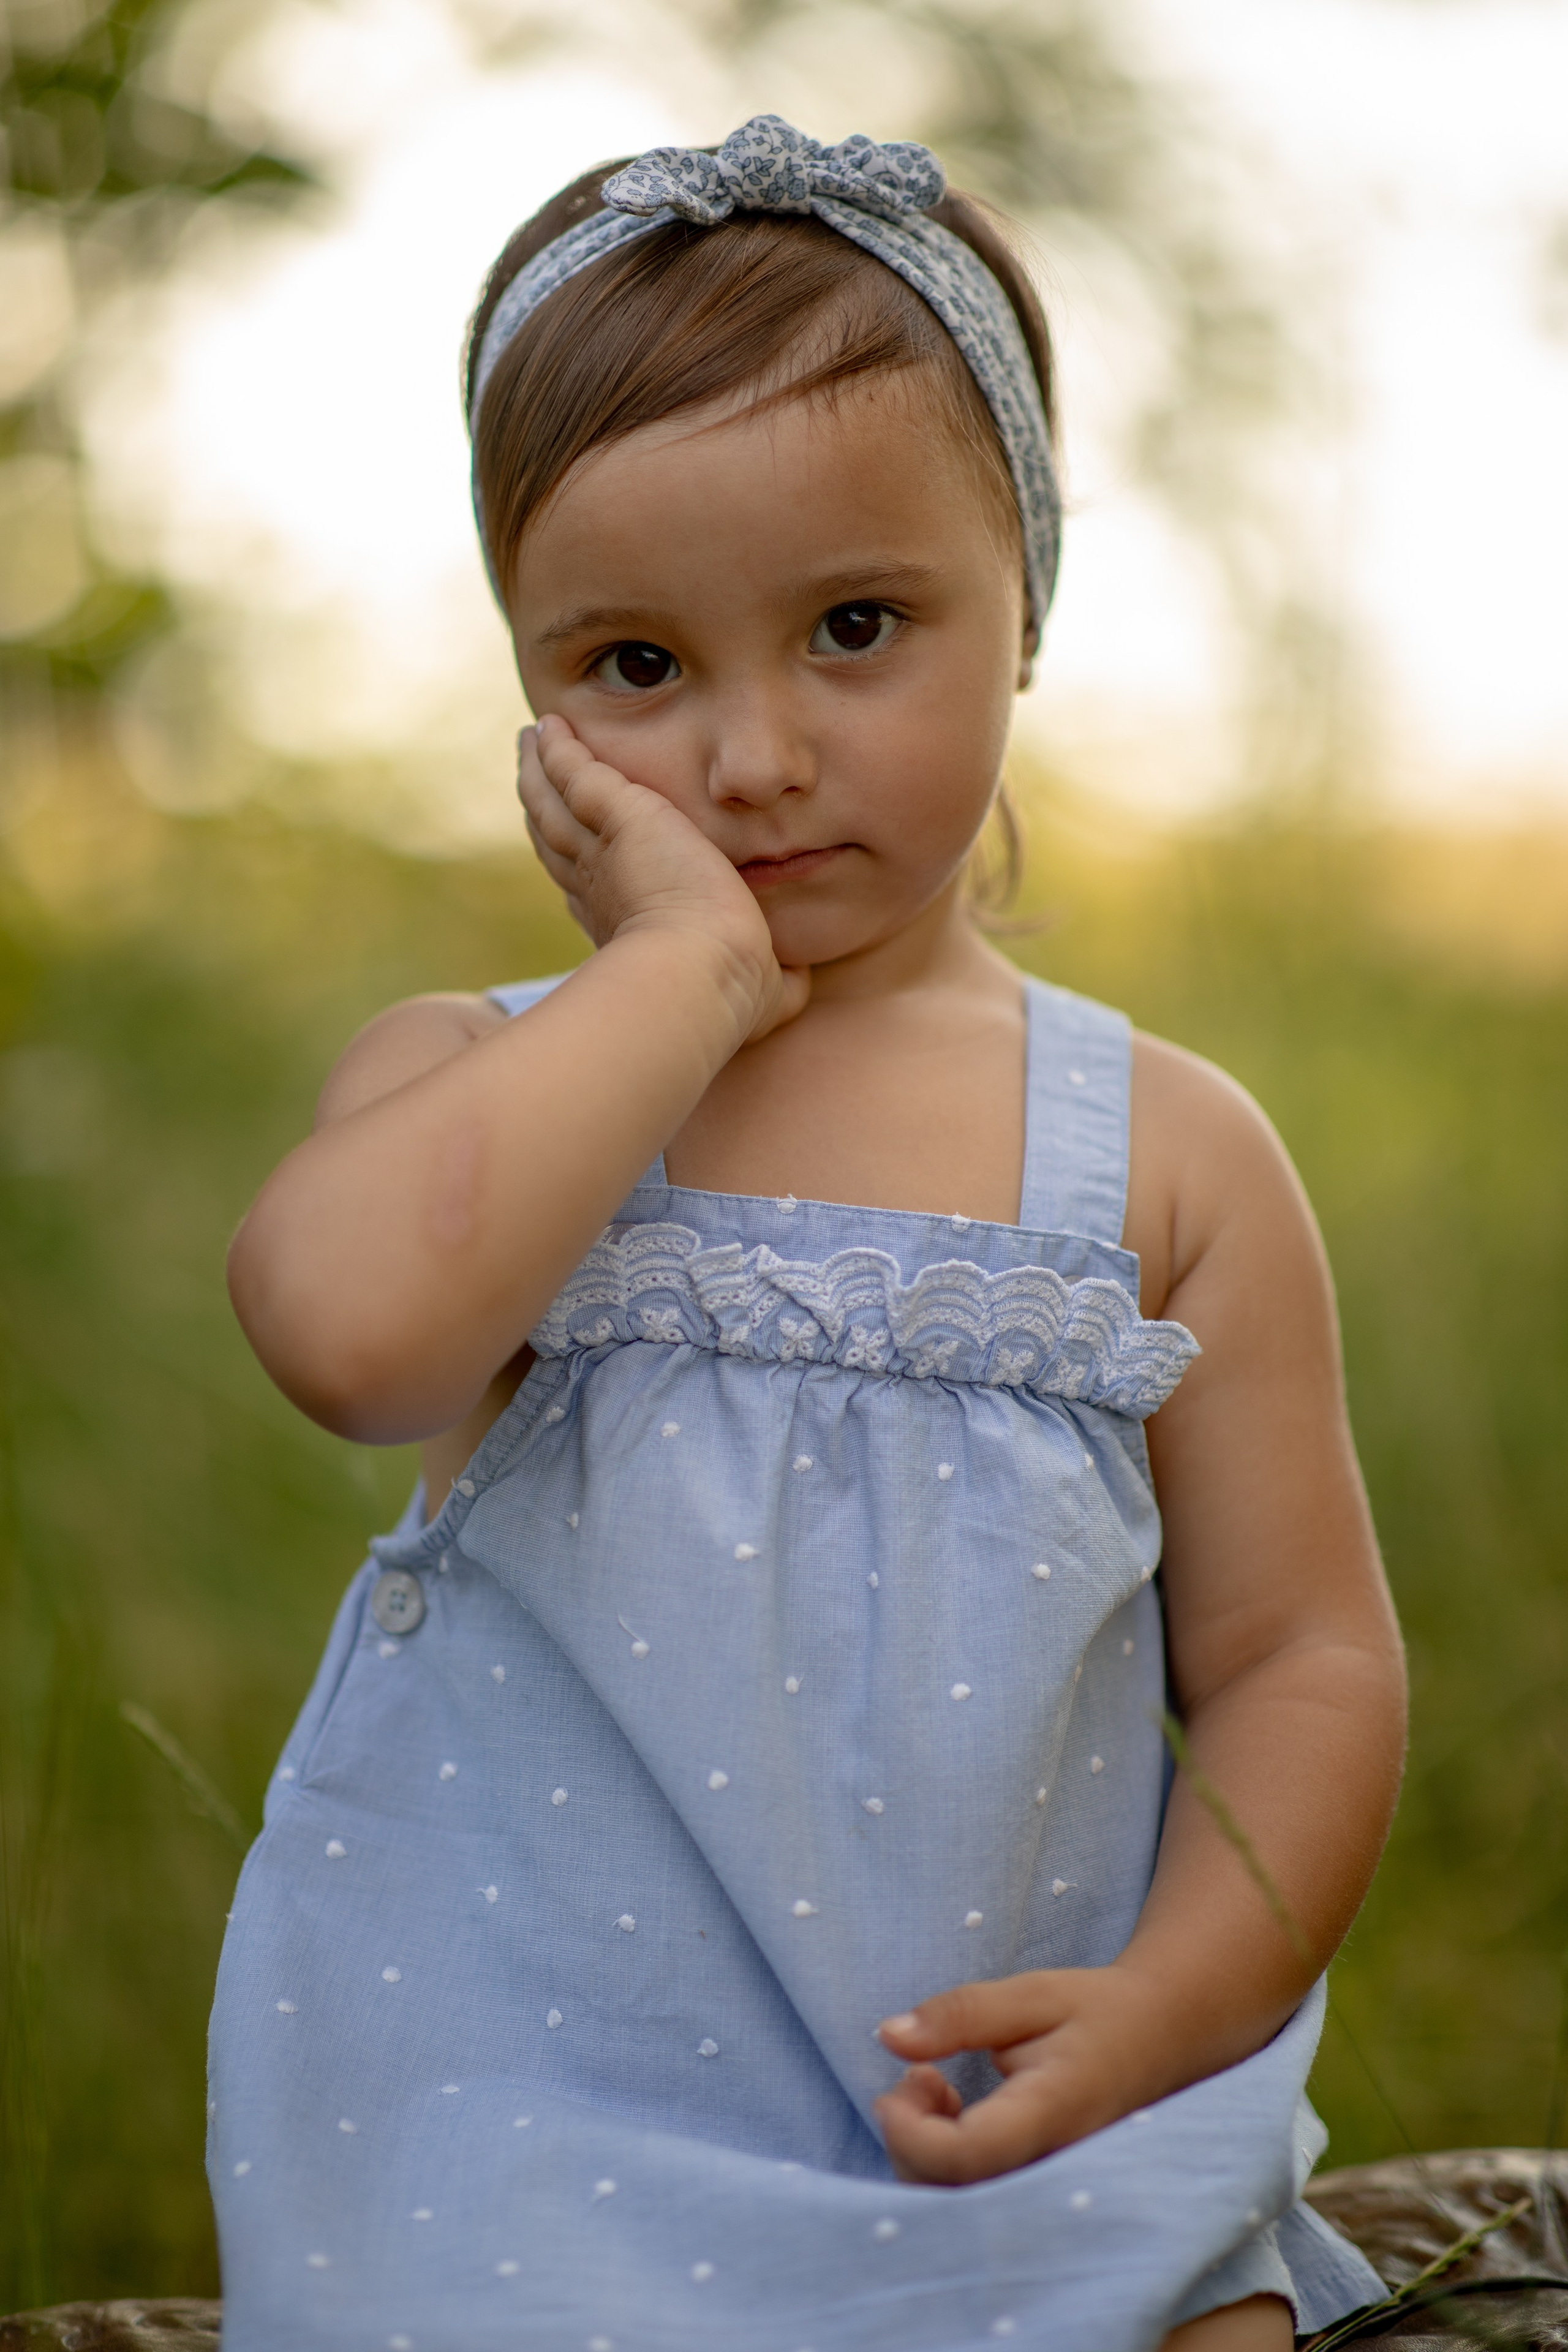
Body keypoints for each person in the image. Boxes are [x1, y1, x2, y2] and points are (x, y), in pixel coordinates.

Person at [211, 115, 1404, 2352]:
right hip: (529, 2113)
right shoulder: (481, 1081)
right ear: (528, 680)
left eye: (858, 629)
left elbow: (1299, 1664)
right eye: (635, 665)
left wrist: (1176, 2005)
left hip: (1012, 2091)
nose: (752, 758)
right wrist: (681, 971)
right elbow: (352, 1339)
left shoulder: (1163, 1155)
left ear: (1026, 603)